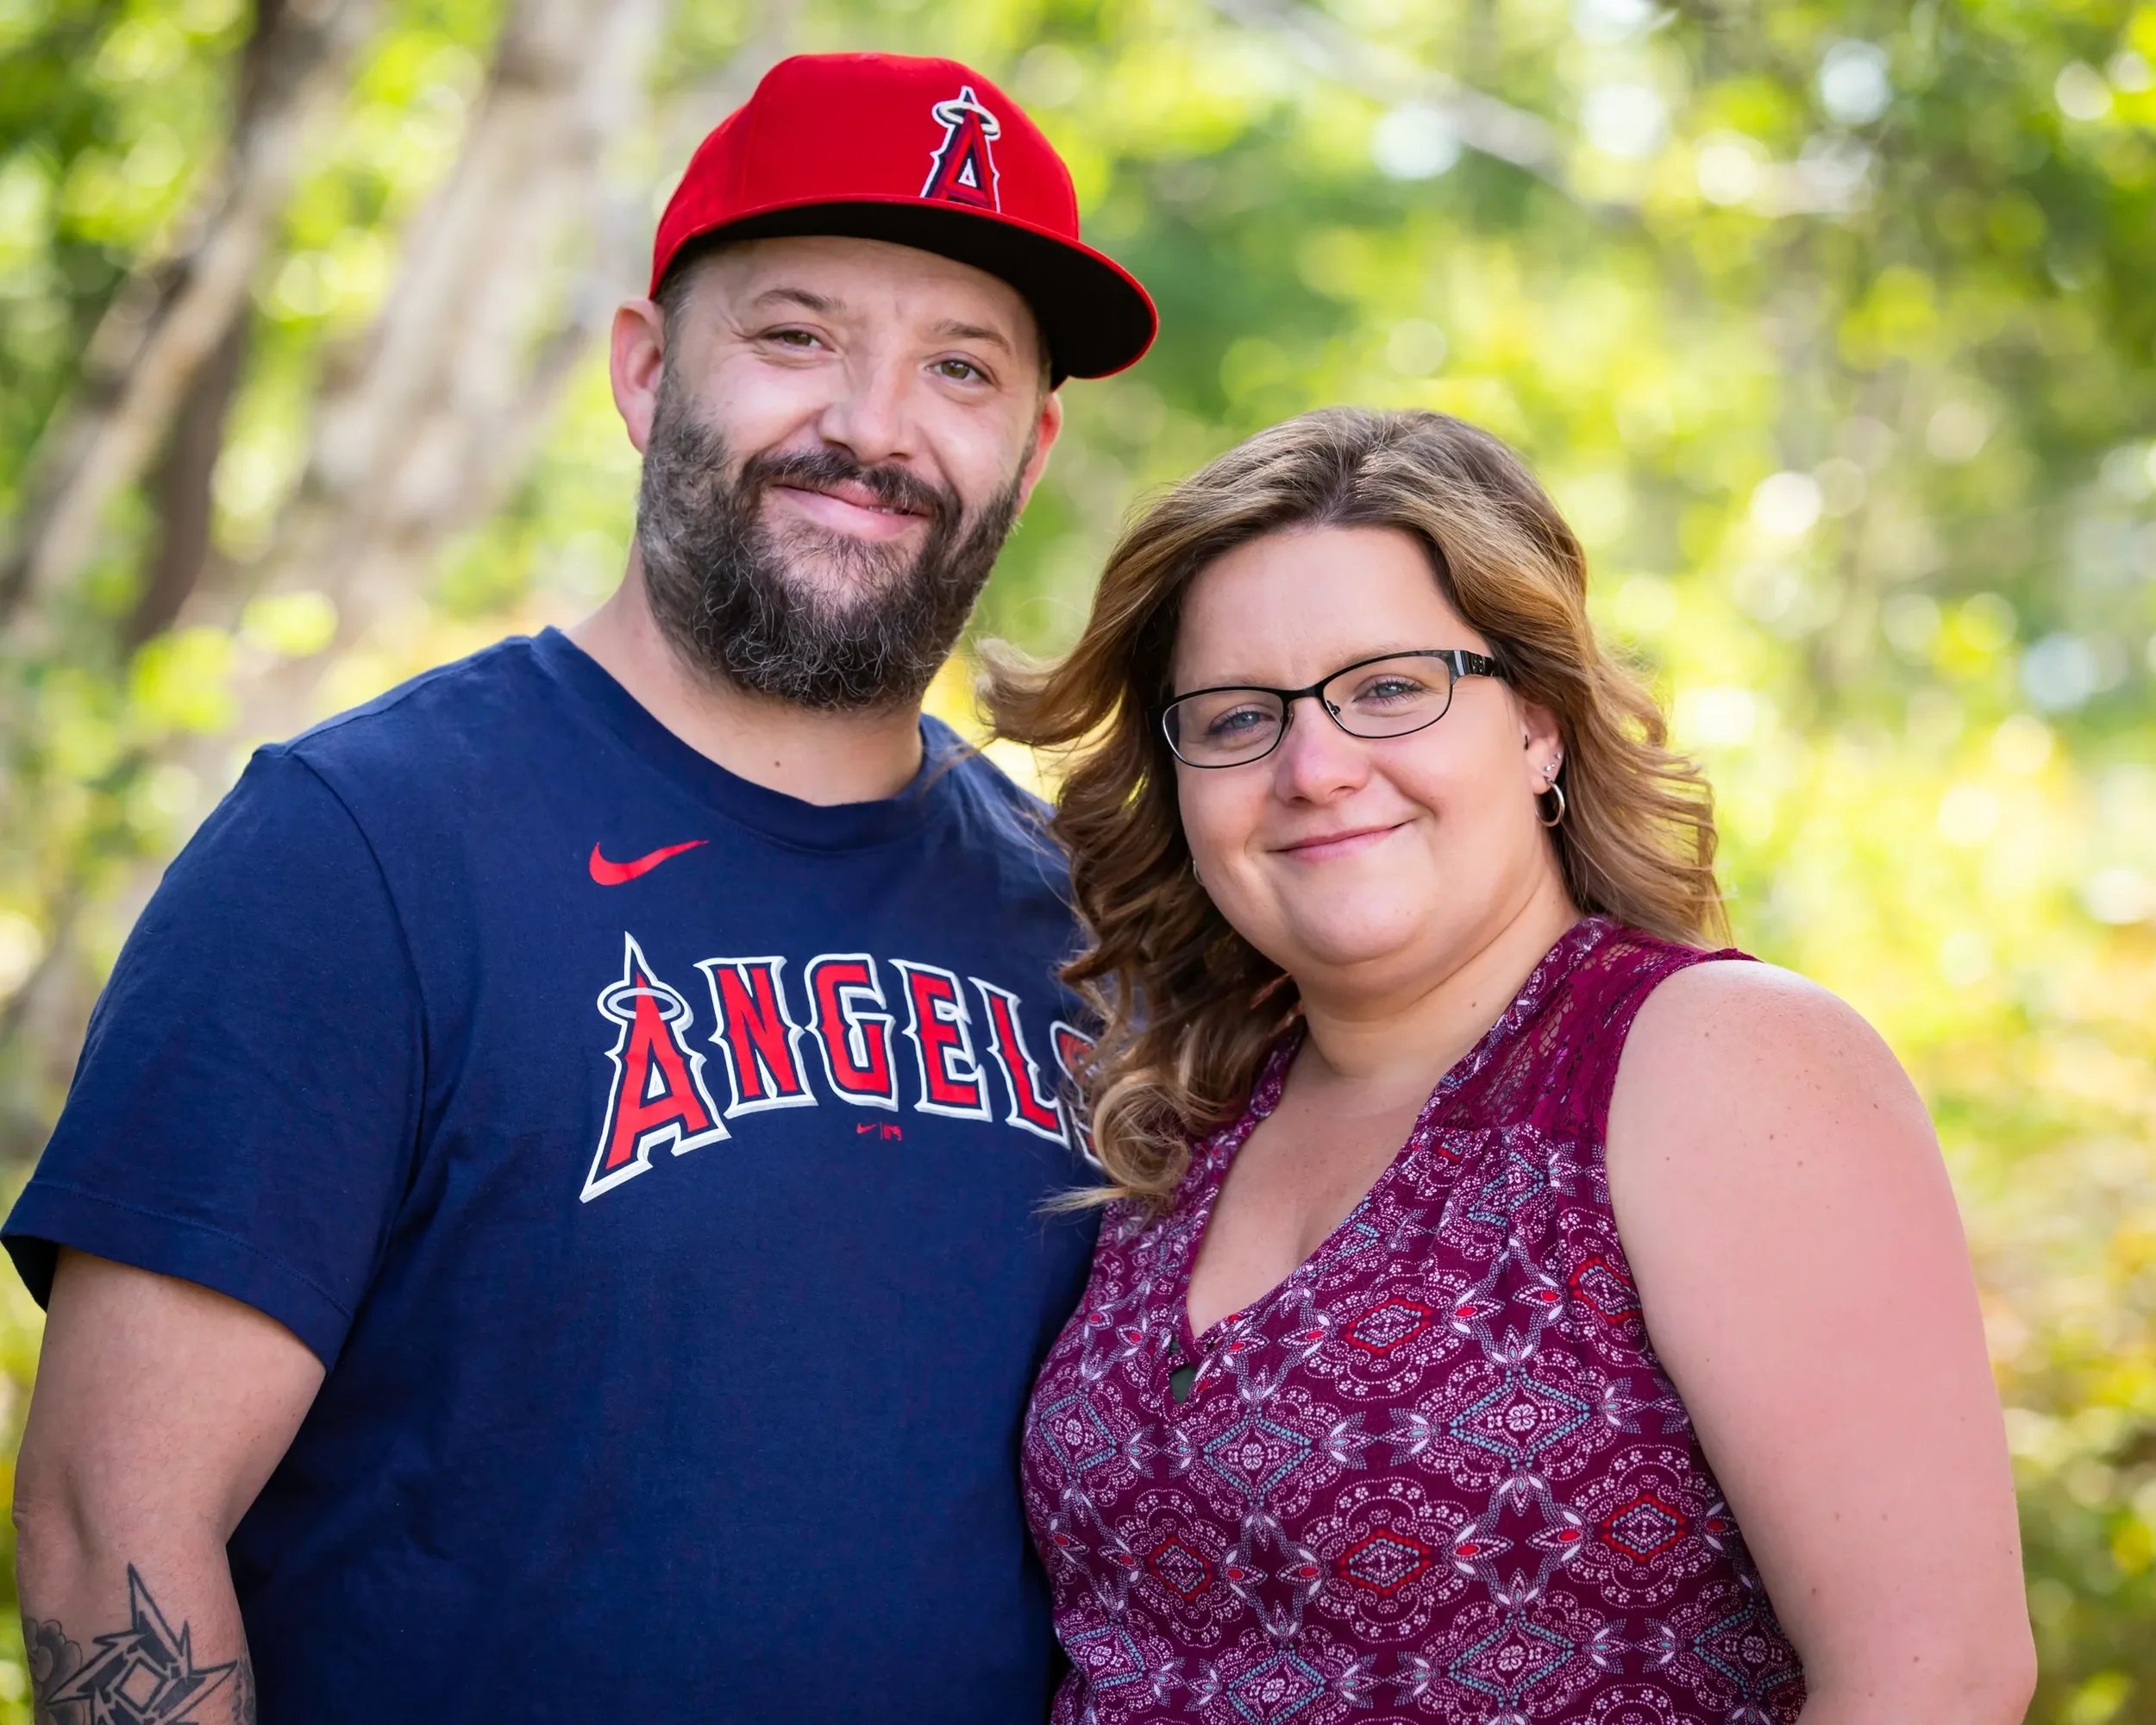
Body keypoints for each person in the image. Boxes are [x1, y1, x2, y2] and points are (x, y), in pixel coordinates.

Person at [7, 52, 1155, 1724]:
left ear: (1030, 448)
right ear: (640, 370)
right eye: (795, 335)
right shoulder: (357, 848)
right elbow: (105, 1527)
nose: (873, 424)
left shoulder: (1083, 935)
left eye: (959, 367)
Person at [993, 408, 2035, 1724]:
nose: (1314, 768)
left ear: (1537, 723)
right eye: (1238, 717)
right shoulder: (1187, 1109)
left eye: (1388, 689)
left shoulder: (1718, 1064)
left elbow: (1935, 1680)